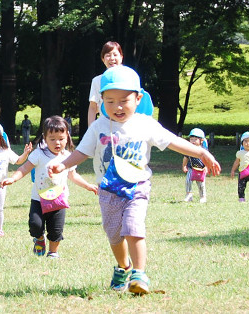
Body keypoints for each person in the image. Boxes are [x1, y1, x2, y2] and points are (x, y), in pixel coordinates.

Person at [48, 65, 221, 295]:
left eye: (124, 100)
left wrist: (200, 153)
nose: (117, 106)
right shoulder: (99, 126)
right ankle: (123, 267)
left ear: (138, 98)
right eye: (109, 101)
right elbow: (82, 152)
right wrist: (63, 164)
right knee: (114, 234)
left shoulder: (144, 123)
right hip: (108, 190)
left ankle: (139, 274)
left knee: (133, 227)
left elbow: (171, 141)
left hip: (137, 186)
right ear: (101, 101)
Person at [2, 116, 98, 258]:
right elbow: (24, 168)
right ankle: (39, 238)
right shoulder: (39, 154)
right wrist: (13, 179)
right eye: (52, 139)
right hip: (38, 199)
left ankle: (53, 252)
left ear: (67, 137)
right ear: (45, 138)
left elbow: (73, 175)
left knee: (56, 229)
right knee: (35, 224)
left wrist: (88, 186)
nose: (57, 142)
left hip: (58, 200)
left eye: (61, 138)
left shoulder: (68, 157)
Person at [87, 41, 124, 126]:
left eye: (115, 55)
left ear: (121, 57)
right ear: (103, 59)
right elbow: (93, 107)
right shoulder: (97, 81)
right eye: (107, 55)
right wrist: (91, 130)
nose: (112, 58)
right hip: (105, 126)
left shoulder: (130, 76)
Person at [182, 128, 208, 203]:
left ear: (201, 140)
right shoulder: (189, 149)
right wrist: (184, 166)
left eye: (195, 139)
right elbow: (185, 158)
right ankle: (189, 194)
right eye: (191, 139)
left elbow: (206, 160)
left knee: (201, 184)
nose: (193, 141)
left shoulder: (203, 150)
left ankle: (202, 196)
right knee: (188, 181)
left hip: (201, 169)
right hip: (191, 168)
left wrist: (206, 167)